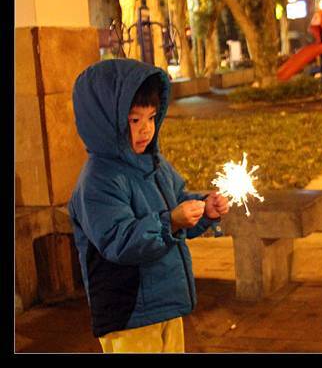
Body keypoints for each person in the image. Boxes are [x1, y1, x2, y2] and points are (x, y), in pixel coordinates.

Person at [68, 59, 230, 353]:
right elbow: (120, 241)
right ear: (107, 121)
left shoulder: (154, 163)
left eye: (152, 118)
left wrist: (204, 208)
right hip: (129, 312)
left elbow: (176, 201)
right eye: (134, 120)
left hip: (165, 302)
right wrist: (172, 222)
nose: (146, 130)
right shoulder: (98, 181)